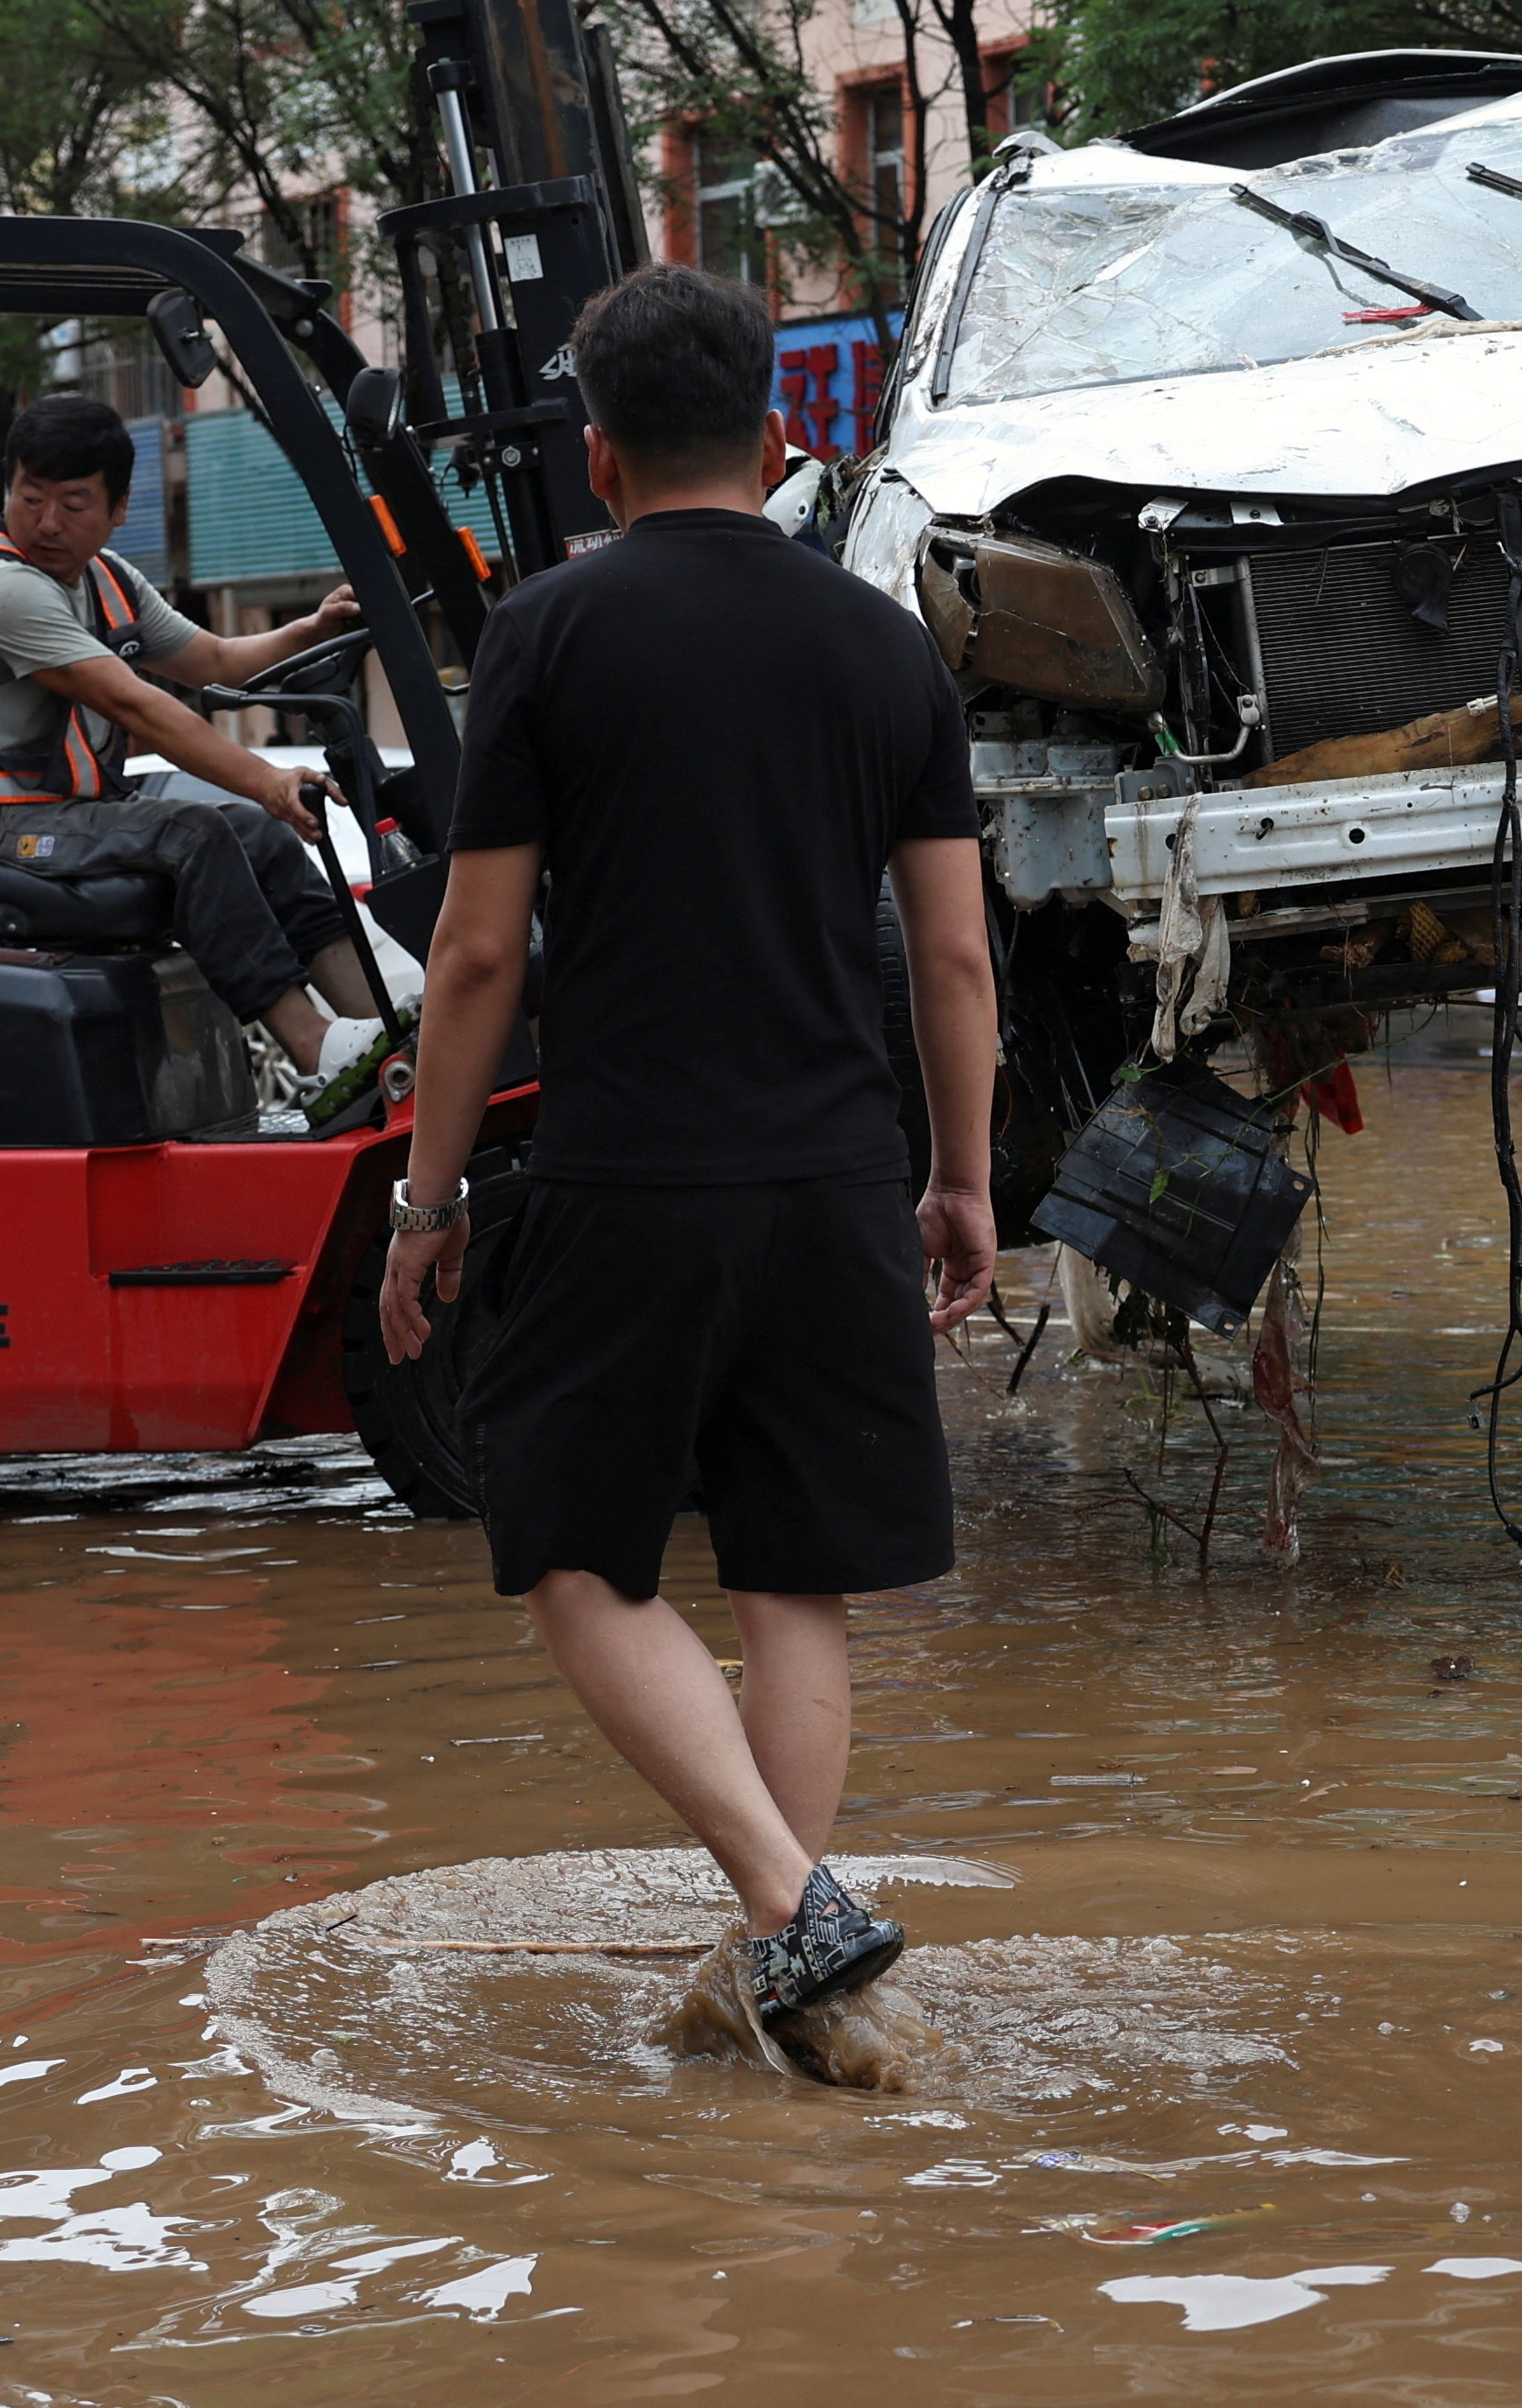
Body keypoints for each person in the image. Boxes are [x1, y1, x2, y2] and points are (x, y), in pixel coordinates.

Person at [375, 262, 996, 2030]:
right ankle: (783, 1974)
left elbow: (480, 953)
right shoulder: (880, 643)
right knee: (794, 1580)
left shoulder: (549, 636)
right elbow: (949, 956)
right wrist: (955, 1181)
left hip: (629, 1174)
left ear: (597, 459)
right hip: (831, 1178)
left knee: (573, 1553)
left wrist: (422, 1204)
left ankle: (789, 1905)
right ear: (779, 433)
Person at [0, 392, 384, 1084]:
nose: (47, 522)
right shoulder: (1, 590)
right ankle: (315, 1047)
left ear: (118, 510)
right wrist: (264, 780)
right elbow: (137, 706)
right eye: (31, 497)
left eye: (74, 505)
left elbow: (211, 662)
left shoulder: (106, 581)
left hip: (45, 814)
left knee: (260, 837)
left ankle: (390, 1033)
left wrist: (311, 628)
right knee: (195, 833)